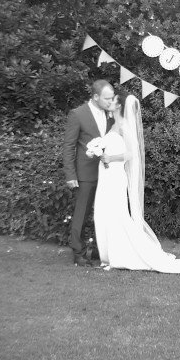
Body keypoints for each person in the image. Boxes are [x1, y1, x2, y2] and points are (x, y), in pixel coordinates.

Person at [92, 91, 180, 274]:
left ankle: (120, 255)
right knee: (106, 213)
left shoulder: (124, 126)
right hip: (107, 176)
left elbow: (131, 154)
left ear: (119, 105)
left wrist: (110, 158)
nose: (109, 103)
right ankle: (110, 255)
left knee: (117, 214)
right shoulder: (114, 124)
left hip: (115, 176)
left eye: (112, 100)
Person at [63, 80, 115, 266]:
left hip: (107, 173)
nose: (111, 102)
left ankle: (99, 250)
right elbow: (69, 146)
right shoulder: (77, 114)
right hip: (85, 174)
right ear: (95, 96)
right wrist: (70, 175)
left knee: (103, 213)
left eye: (112, 98)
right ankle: (78, 252)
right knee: (82, 214)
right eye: (107, 99)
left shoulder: (111, 114)